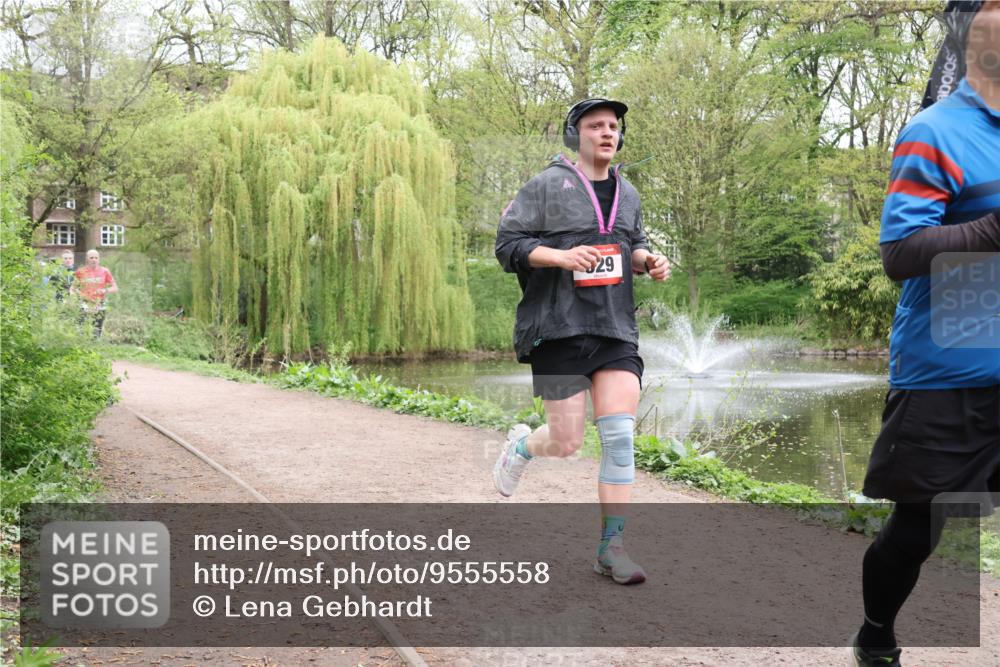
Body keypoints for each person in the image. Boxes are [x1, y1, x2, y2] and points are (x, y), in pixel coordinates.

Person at [852, 2, 1000, 665]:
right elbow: (901, 253)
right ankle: (876, 633)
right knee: (920, 526)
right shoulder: (934, 132)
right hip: (951, 369)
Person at [493, 98, 670, 585]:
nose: (607, 133)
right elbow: (507, 246)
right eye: (596, 126)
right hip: (557, 328)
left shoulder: (628, 193)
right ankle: (523, 449)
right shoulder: (546, 185)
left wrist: (648, 260)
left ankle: (612, 548)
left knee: (619, 437)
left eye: (614, 126)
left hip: (614, 328)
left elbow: (628, 245)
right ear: (577, 135)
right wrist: (560, 257)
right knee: (566, 441)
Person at [73, 249, 118, 338]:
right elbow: (73, 289)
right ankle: (83, 348)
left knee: (97, 329)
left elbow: (115, 288)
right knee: (82, 329)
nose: (94, 260)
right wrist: (77, 295)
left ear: (99, 259)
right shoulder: (80, 272)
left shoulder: (105, 271)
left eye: (96, 258)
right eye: (91, 257)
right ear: (87, 259)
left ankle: (95, 348)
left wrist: (105, 290)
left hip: (99, 302)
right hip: (85, 302)